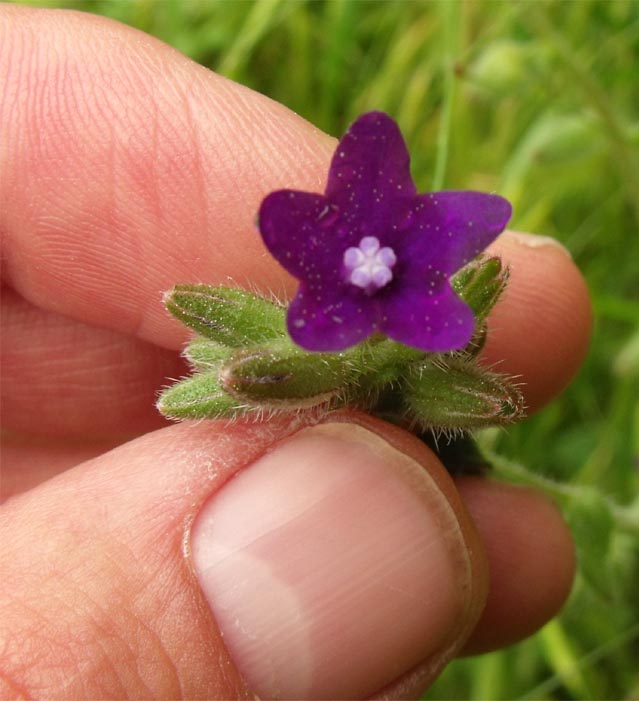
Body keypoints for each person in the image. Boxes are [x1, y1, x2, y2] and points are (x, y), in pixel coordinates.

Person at [0, 5, 592, 699]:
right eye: (361, 260)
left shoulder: (413, 297)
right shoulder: (322, 309)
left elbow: (450, 315)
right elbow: (312, 334)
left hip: (403, 341)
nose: (371, 262)